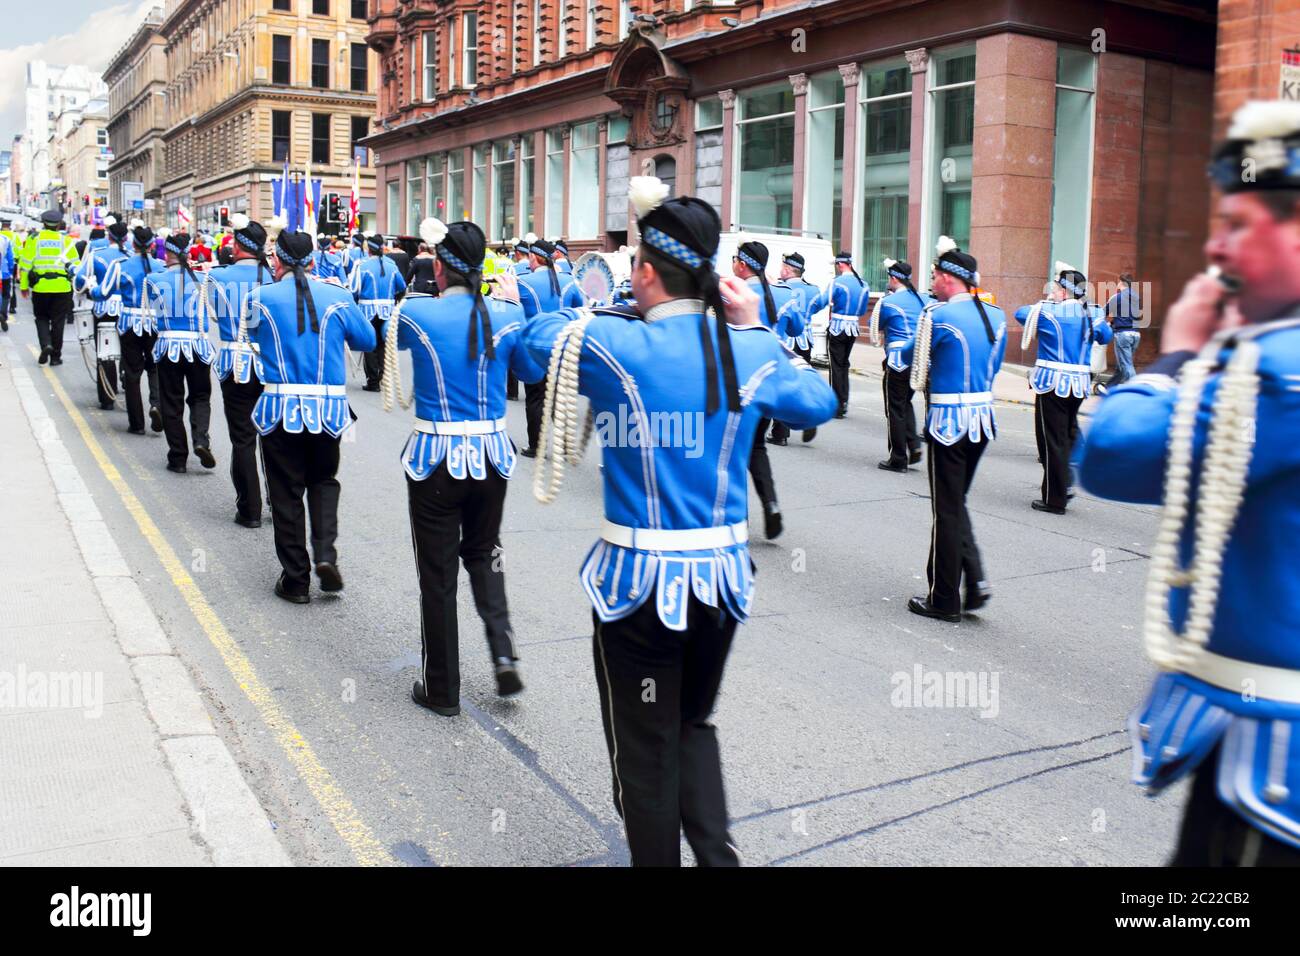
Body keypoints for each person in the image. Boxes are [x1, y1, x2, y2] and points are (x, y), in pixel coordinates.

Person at [519, 177, 837, 866]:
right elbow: (817, 400)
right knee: (692, 724)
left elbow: (528, 347)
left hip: (638, 586)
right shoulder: (747, 349)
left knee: (644, 752)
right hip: (720, 585)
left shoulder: (611, 342)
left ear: (646, 270)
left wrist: (605, 304)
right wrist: (754, 325)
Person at [1077, 100, 1300, 866]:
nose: (1216, 245)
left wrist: (1175, 358)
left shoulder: (1275, 371)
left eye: (1239, 223)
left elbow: (1113, 454)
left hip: (1269, 746)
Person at [381, 218, 545, 715]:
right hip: (492, 458)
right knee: (486, 554)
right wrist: (515, 303)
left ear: (441, 265)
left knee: (438, 576)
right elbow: (532, 372)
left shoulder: (417, 313)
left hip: (435, 460)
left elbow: (394, 341)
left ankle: (441, 689)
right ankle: (502, 650)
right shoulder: (509, 314)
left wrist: (425, 287)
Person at [246, 229, 376, 603]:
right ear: (314, 261)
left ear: (278, 261)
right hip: (328, 412)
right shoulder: (337, 296)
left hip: (280, 409)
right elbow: (366, 341)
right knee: (323, 481)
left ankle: (296, 579)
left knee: (286, 493)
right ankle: (325, 554)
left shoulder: (259, 298)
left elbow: (254, 336)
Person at [907, 237, 1006, 623]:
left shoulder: (937, 316)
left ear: (950, 279)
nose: (931, 280)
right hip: (982, 419)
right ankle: (975, 581)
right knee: (955, 503)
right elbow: (994, 369)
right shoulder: (996, 315)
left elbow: (914, 367)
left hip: (948, 420)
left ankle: (944, 598)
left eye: (934, 274)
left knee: (946, 511)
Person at [1013, 262, 1113, 513]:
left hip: (1052, 384)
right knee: (1066, 434)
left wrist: (1046, 302)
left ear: (1064, 291)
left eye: (1055, 287)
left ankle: (1055, 497)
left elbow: (1020, 313)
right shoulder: (1091, 314)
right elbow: (1106, 336)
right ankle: (1065, 481)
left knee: (1050, 441)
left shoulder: (1049, 312)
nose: (1052, 291)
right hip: (1078, 385)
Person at [206, 214, 274, 528]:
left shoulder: (217, 277)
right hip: (271, 365)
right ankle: (278, 500)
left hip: (235, 364)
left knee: (243, 439)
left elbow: (213, 317)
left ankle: (249, 510)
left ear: (236, 244)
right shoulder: (274, 277)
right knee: (273, 439)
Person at [730, 239, 794, 536]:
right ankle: (771, 504)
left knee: (731, 450)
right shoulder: (776, 294)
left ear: (742, 264)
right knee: (756, 446)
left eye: (734, 259)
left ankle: (737, 518)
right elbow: (792, 330)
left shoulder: (737, 294)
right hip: (768, 383)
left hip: (739, 386)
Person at [146, 232, 216, 474]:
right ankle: (201, 440)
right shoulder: (204, 279)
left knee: (171, 402)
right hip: (198, 346)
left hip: (168, 347)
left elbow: (152, 314)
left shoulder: (154, 280)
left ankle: (178, 457)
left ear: (167, 253)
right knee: (200, 397)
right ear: (188, 253)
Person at [103, 224, 167, 435]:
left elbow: (103, 291)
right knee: (154, 367)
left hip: (129, 323)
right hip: (155, 323)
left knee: (132, 373)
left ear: (133, 244)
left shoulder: (121, 265)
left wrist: (88, 288)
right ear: (151, 245)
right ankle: (156, 404)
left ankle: (137, 423)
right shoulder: (161, 266)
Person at [870, 258, 932, 472]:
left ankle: (898, 458)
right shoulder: (926, 299)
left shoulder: (888, 302)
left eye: (889, 277)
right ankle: (913, 445)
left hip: (897, 360)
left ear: (895, 278)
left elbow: (876, 326)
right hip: (921, 359)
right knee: (905, 403)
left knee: (895, 408)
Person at [516, 237, 575, 457]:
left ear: (533, 257)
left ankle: (537, 446)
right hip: (564, 347)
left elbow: (513, 310)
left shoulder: (523, 282)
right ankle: (567, 447)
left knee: (535, 398)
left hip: (533, 349)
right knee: (561, 398)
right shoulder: (569, 282)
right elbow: (582, 310)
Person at [75, 216, 132, 409]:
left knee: (105, 352)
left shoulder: (96, 255)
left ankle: (107, 397)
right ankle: (127, 382)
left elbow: (79, 280)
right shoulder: (133, 256)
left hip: (103, 309)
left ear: (109, 236)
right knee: (128, 351)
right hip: (128, 311)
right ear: (126, 238)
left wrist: (91, 287)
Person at [807, 251, 870, 418]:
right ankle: (844, 401)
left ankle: (837, 404)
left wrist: (808, 311)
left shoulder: (837, 282)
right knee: (844, 364)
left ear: (841, 264)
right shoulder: (863, 284)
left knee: (836, 366)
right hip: (853, 328)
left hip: (837, 327)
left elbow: (821, 301)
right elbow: (863, 310)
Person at [19, 208, 80, 366]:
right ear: (59, 224)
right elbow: (76, 266)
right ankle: (55, 357)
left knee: (41, 318)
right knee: (58, 322)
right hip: (62, 288)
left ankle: (46, 344)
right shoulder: (66, 241)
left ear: (44, 223)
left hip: (41, 288)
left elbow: (25, 265)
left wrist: (24, 286)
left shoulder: (34, 239)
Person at [348, 232, 406, 392]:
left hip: (367, 311)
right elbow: (401, 287)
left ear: (369, 250)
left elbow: (353, 290)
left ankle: (373, 381)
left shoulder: (363, 266)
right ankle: (382, 377)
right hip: (388, 310)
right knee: (383, 344)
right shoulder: (392, 266)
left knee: (370, 344)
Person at [1105, 273, 1143, 387]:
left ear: (1121, 281)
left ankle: (1135, 390)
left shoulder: (1118, 297)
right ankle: (1110, 387)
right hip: (1135, 334)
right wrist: (1113, 322)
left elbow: (1103, 312)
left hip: (1123, 335)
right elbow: (1138, 316)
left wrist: (1109, 322)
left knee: (1126, 364)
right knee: (1122, 364)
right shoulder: (1137, 298)